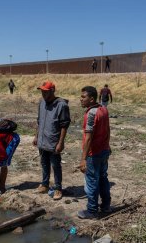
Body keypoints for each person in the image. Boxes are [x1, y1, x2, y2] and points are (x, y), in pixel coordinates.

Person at [33, 81, 71, 200]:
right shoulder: (41, 103)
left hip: (54, 141)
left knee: (55, 165)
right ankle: (45, 184)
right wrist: (36, 136)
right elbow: (39, 121)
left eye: (45, 91)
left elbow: (64, 125)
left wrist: (61, 142)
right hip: (42, 140)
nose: (43, 93)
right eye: (42, 91)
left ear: (52, 90)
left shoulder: (62, 105)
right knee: (44, 163)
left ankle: (58, 188)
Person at [77, 86, 111, 219]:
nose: (81, 100)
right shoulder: (104, 109)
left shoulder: (91, 114)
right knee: (103, 178)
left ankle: (92, 211)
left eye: (83, 97)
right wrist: (108, 146)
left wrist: (83, 159)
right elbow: (108, 129)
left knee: (91, 182)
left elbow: (89, 137)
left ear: (91, 99)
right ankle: (106, 206)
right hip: (104, 151)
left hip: (94, 154)